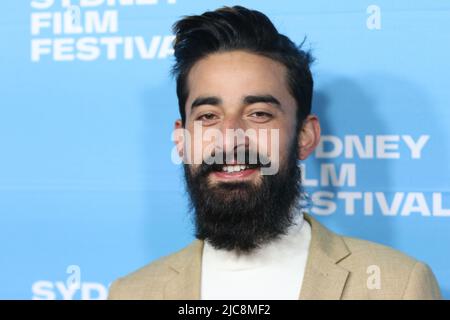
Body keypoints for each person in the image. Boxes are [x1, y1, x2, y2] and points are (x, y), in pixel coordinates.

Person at [108, 5, 441, 300]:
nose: (230, 139)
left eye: (259, 114)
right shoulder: (132, 293)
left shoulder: (397, 287)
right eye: (208, 116)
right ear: (182, 140)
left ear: (305, 136)